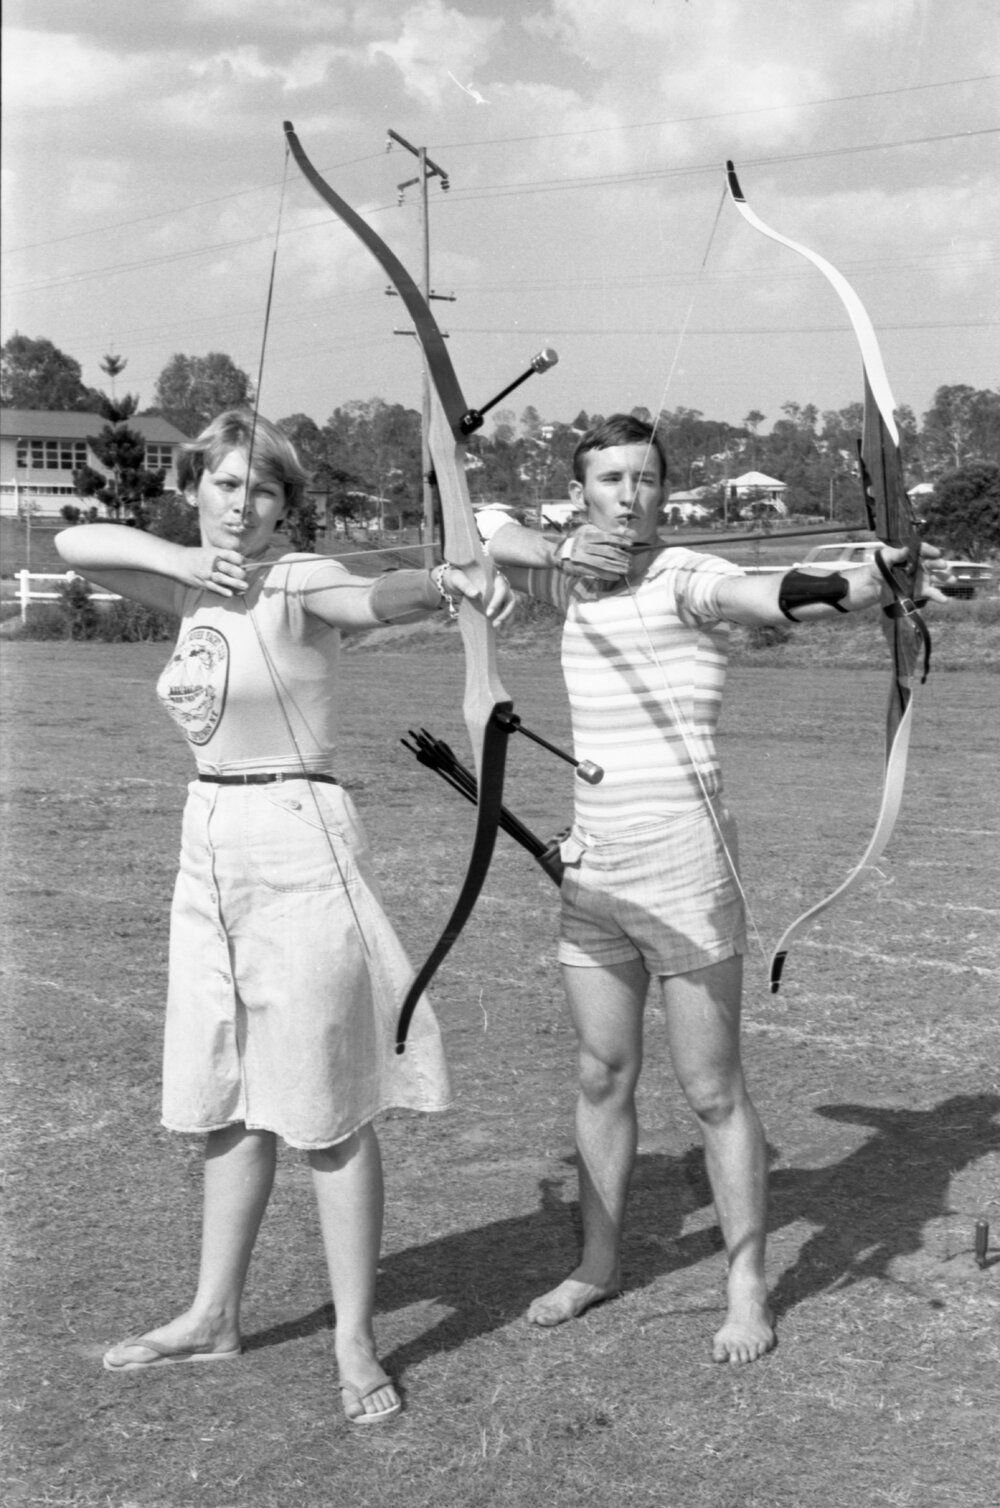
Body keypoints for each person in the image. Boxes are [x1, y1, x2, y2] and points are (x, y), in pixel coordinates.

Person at [55, 410, 507, 1422]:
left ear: (284, 505)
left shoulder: (295, 577)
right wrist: (191, 557)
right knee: (224, 1092)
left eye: (259, 489)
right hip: (207, 840)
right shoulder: (186, 583)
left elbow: (366, 592)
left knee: (327, 1106)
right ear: (193, 489)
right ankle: (214, 1313)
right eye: (221, 483)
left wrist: (445, 581)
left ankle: (354, 1336)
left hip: (299, 834)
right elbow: (74, 542)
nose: (239, 503)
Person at [478, 413, 949, 1365]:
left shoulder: (685, 572)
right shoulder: (569, 574)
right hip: (594, 863)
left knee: (711, 1088)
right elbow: (485, 522)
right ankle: (597, 1265)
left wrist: (862, 582)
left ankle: (745, 1285)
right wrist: (564, 552)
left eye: (647, 479)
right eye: (610, 478)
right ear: (583, 492)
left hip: (685, 865)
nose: (631, 494)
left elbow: (770, 594)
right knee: (601, 1074)